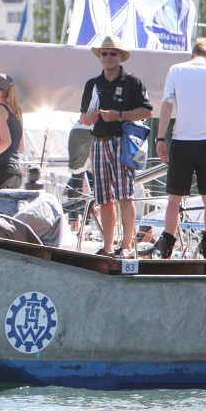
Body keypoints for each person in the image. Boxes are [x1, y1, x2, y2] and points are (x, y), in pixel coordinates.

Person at [152, 38, 206, 259]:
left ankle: (167, 244)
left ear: (193, 54)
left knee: (173, 199)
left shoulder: (176, 70)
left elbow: (167, 104)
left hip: (181, 142)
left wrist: (161, 138)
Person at [80, 36, 154, 257]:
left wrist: (119, 116)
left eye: (113, 53)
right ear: (100, 57)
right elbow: (83, 117)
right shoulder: (92, 84)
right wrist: (89, 118)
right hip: (99, 142)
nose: (108, 57)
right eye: (104, 53)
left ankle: (127, 245)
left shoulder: (132, 82)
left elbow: (147, 111)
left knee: (125, 195)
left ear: (120, 56)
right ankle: (108, 244)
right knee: (103, 198)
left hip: (123, 142)